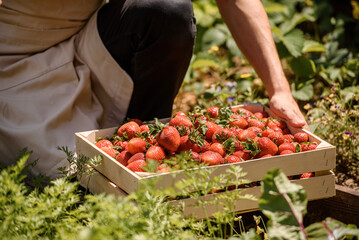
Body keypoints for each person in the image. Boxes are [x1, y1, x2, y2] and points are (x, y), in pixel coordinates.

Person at [0, 0, 308, 178]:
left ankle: (143, 162)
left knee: (165, 9)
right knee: (63, 177)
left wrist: (279, 90)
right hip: (8, 59)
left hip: (81, 44)